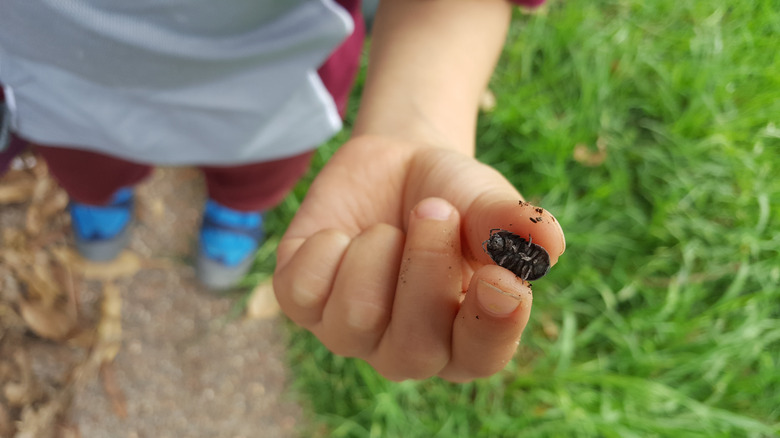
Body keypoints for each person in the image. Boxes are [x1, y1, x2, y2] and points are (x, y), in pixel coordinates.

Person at [0, 0, 565, 382]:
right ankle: (101, 199)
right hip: (63, 101)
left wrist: (415, 126)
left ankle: (235, 211)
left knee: (254, 178)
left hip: (273, 102)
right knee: (90, 169)